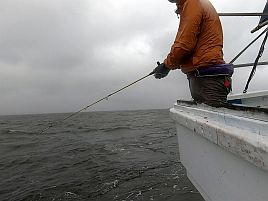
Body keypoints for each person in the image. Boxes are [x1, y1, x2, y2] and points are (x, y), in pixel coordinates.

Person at [153, 0, 233, 107]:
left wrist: (166, 65)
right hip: (203, 76)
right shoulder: (192, 3)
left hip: (208, 78)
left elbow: (184, 45)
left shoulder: (193, 3)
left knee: (214, 119)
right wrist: (167, 65)